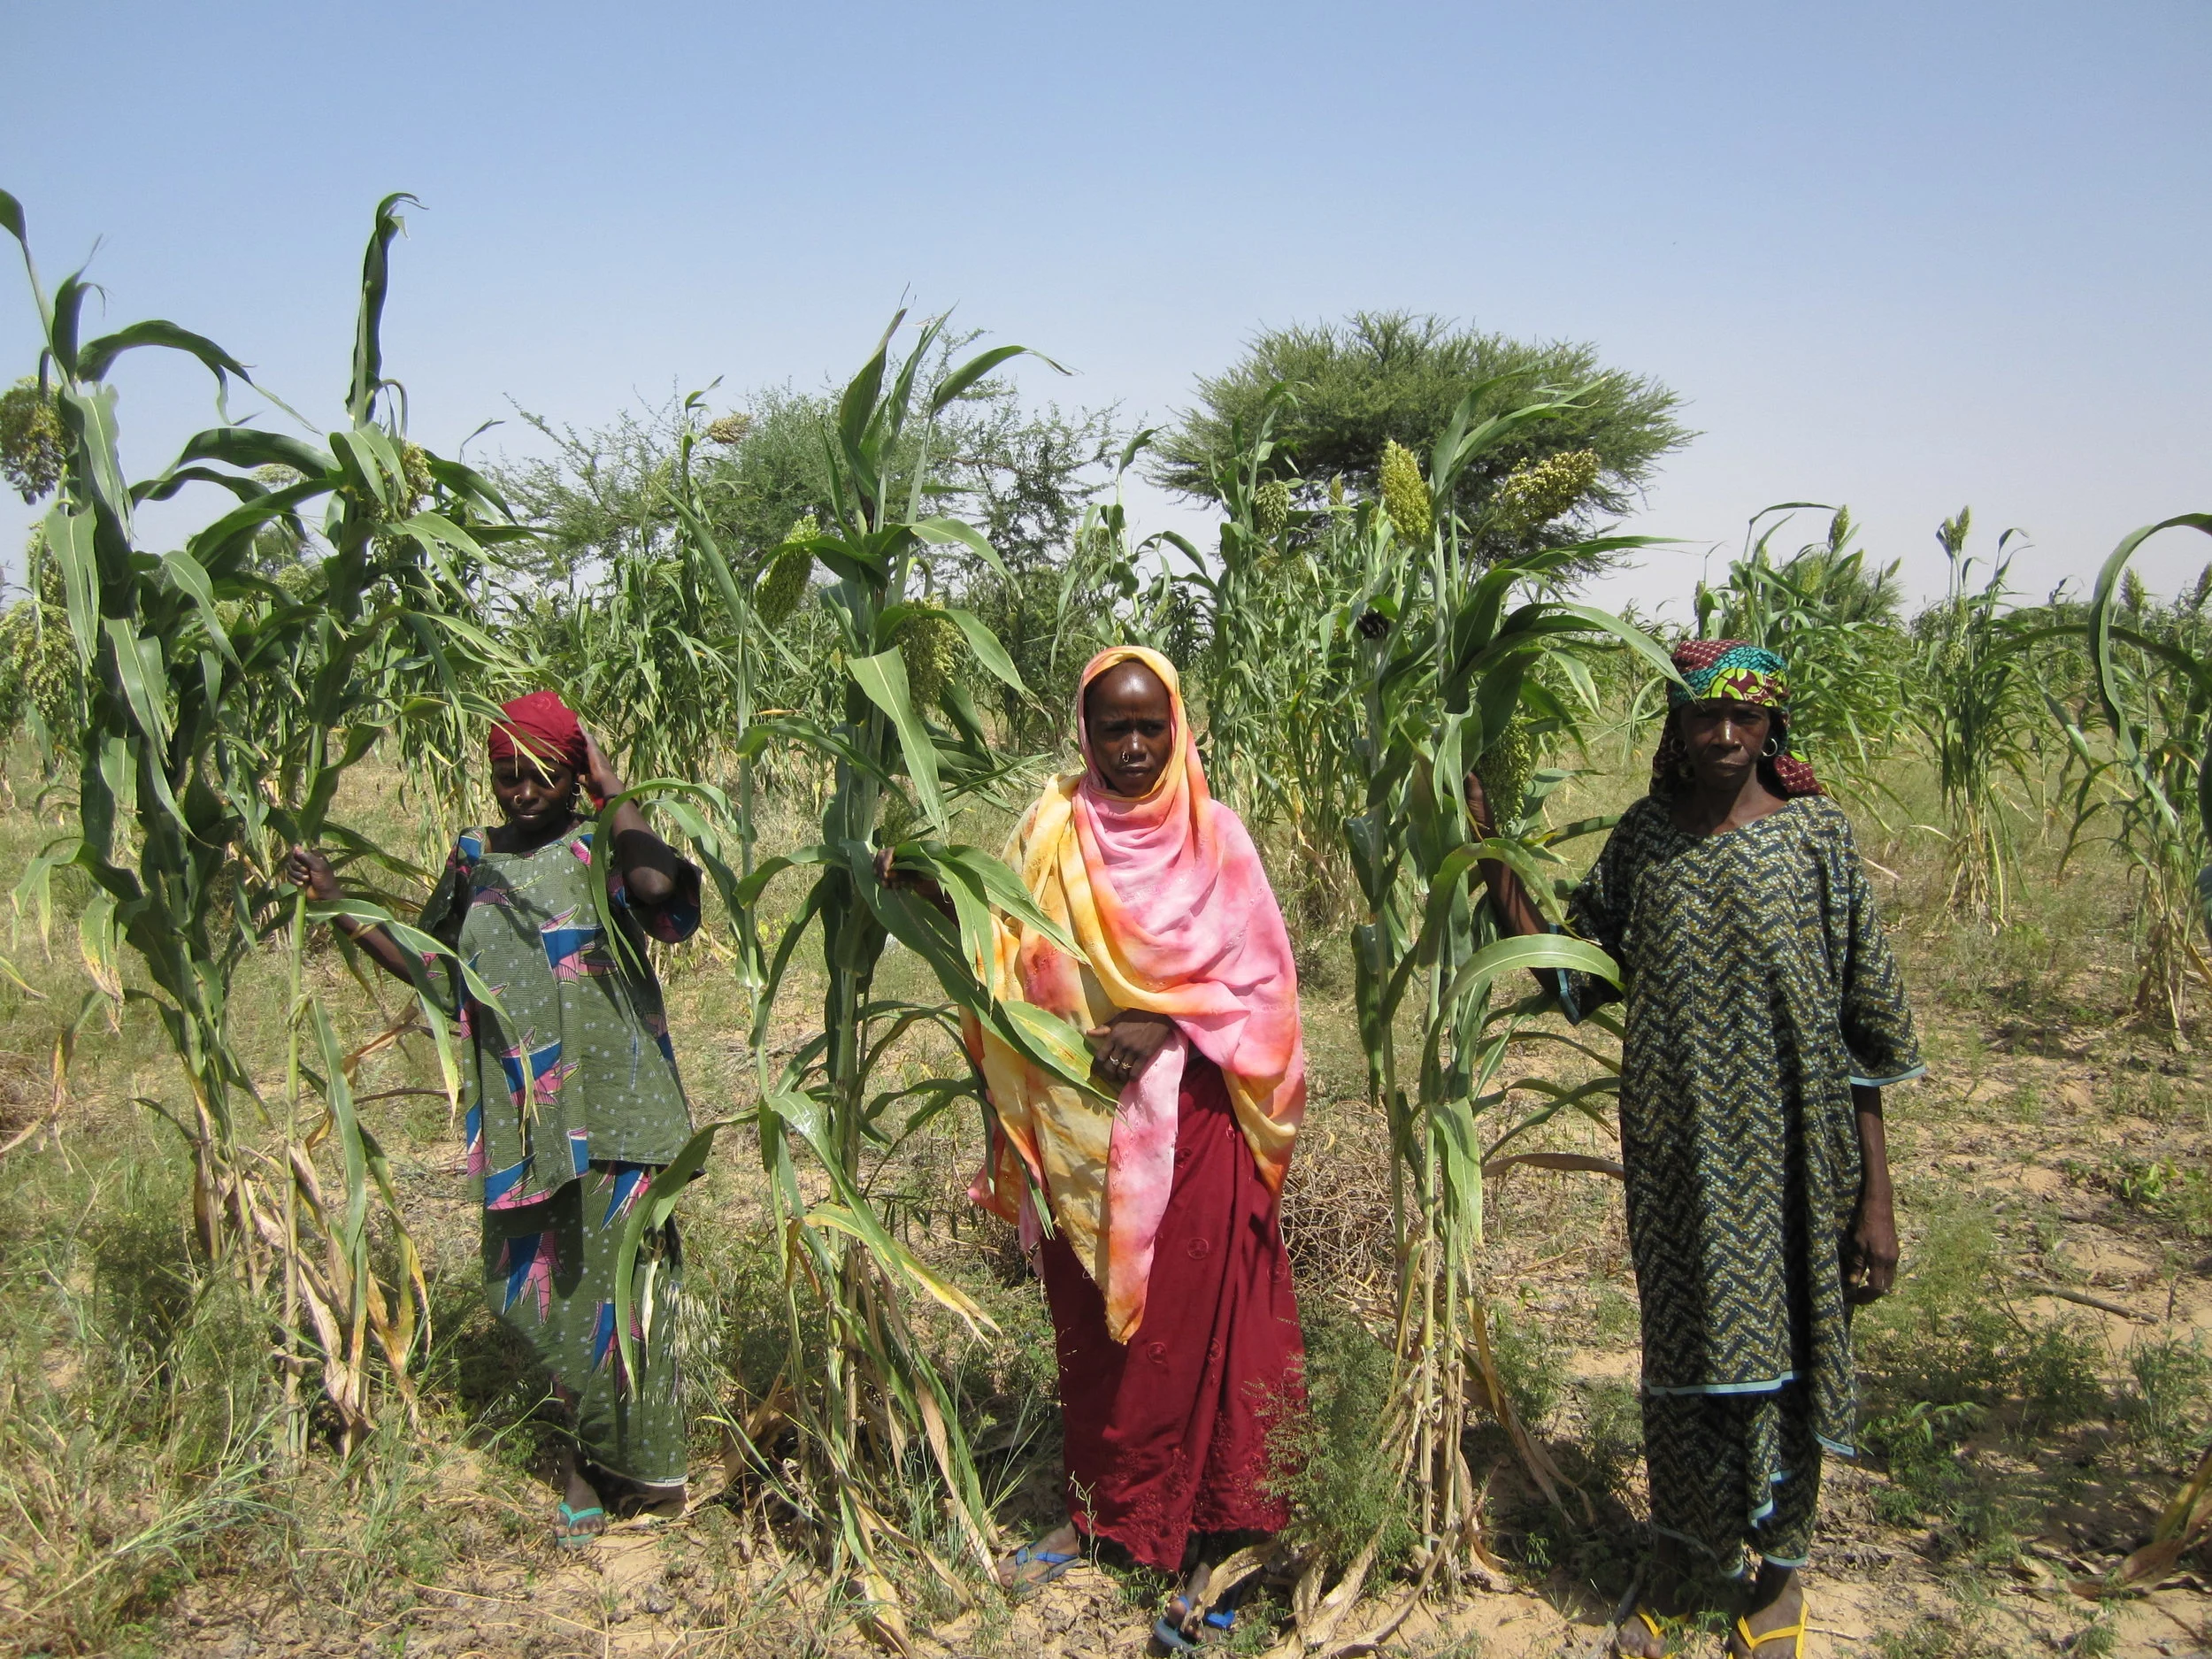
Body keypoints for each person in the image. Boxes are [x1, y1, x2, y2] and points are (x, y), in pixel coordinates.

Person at [1469, 641, 1922, 1659]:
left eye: (1743, 719)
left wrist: (1877, 1197)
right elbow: (1576, 979)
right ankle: (1686, 1562)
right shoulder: (1643, 841)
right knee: (1687, 1353)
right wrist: (1488, 857)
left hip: (1802, 1156)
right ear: (1674, 729)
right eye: (1701, 718)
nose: (1723, 736)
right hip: (1679, 1153)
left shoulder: (1816, 839)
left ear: (1772, 730)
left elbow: (1863, 1028)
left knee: (1794, 1349)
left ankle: (1778, 1577)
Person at [892, 646, 1307, 1646]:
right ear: (1084, 730)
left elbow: (1266, 998)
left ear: (1177, 730)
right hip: (1084, 1128)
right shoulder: (1048, 834)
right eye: (1111, 727)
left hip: (1199, 1118)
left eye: (1147, 727)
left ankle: (1213, 1532)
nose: (1129, 747)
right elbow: (1003, 950)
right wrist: (926, 892)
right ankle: (1104, 1516)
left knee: (1198, 1326)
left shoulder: (1217, 841)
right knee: (1092, 1327)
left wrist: (1167, 1024)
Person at [287, 690, 703, 1548]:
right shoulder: (475, 859)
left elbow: (663, 895)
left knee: (626, 1289)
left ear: (572, 768)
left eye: (541, 773)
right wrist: (339, 903)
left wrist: (609, 786)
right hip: (524, 1115)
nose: (520, 792)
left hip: (619, 1109)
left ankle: (643, 1469)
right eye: (505, 776)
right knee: (547, 1287)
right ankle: (582, 1459)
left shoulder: (607, 851)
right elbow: (433, 969)